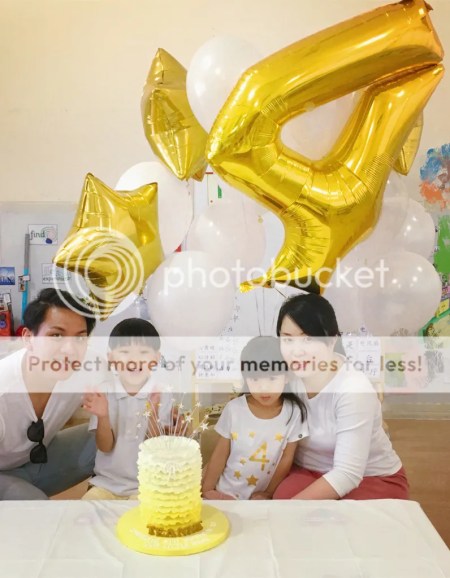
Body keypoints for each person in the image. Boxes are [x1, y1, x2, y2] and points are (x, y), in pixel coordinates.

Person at [273, 293, 409, 500]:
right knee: (281, 499)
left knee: (332, 518)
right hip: (309, 471)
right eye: (288, 339)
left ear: (331, 340)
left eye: (308, 339)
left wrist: (289, 509)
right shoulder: (286, 379)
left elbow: (347, 474)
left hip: (370, 477)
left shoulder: (353, 388)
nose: (297, 351)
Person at [0, 288, 107, 500]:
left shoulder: (89, 366)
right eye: (56, 335)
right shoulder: (5, 390)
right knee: (39, 510)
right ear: (28, 338)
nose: (69, 350)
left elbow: (129, 394)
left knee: (118, 433)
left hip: (43, 459)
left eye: (80, 338)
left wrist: (162, 415)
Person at [202, 336, 308, 500]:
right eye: (255, 379)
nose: (263, 388)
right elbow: (220, 454)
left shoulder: (294, 413)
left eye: (272, 378)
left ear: (286, 376)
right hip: (225, 492)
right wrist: (207, 489)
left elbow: (286, 459)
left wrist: (268, 493)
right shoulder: (234, 409)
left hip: (259, 499)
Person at [82, 318, 174, 500]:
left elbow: (155, 450)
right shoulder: (104, 392)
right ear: (111, 358)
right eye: (124, 352)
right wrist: (103, 416)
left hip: (145, 487)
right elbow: (105, 447)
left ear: (156, 358)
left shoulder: (162, 393)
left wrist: (153, 416)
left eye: (143, 352)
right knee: (86, 509)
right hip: (105, 484)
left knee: (140, 516)